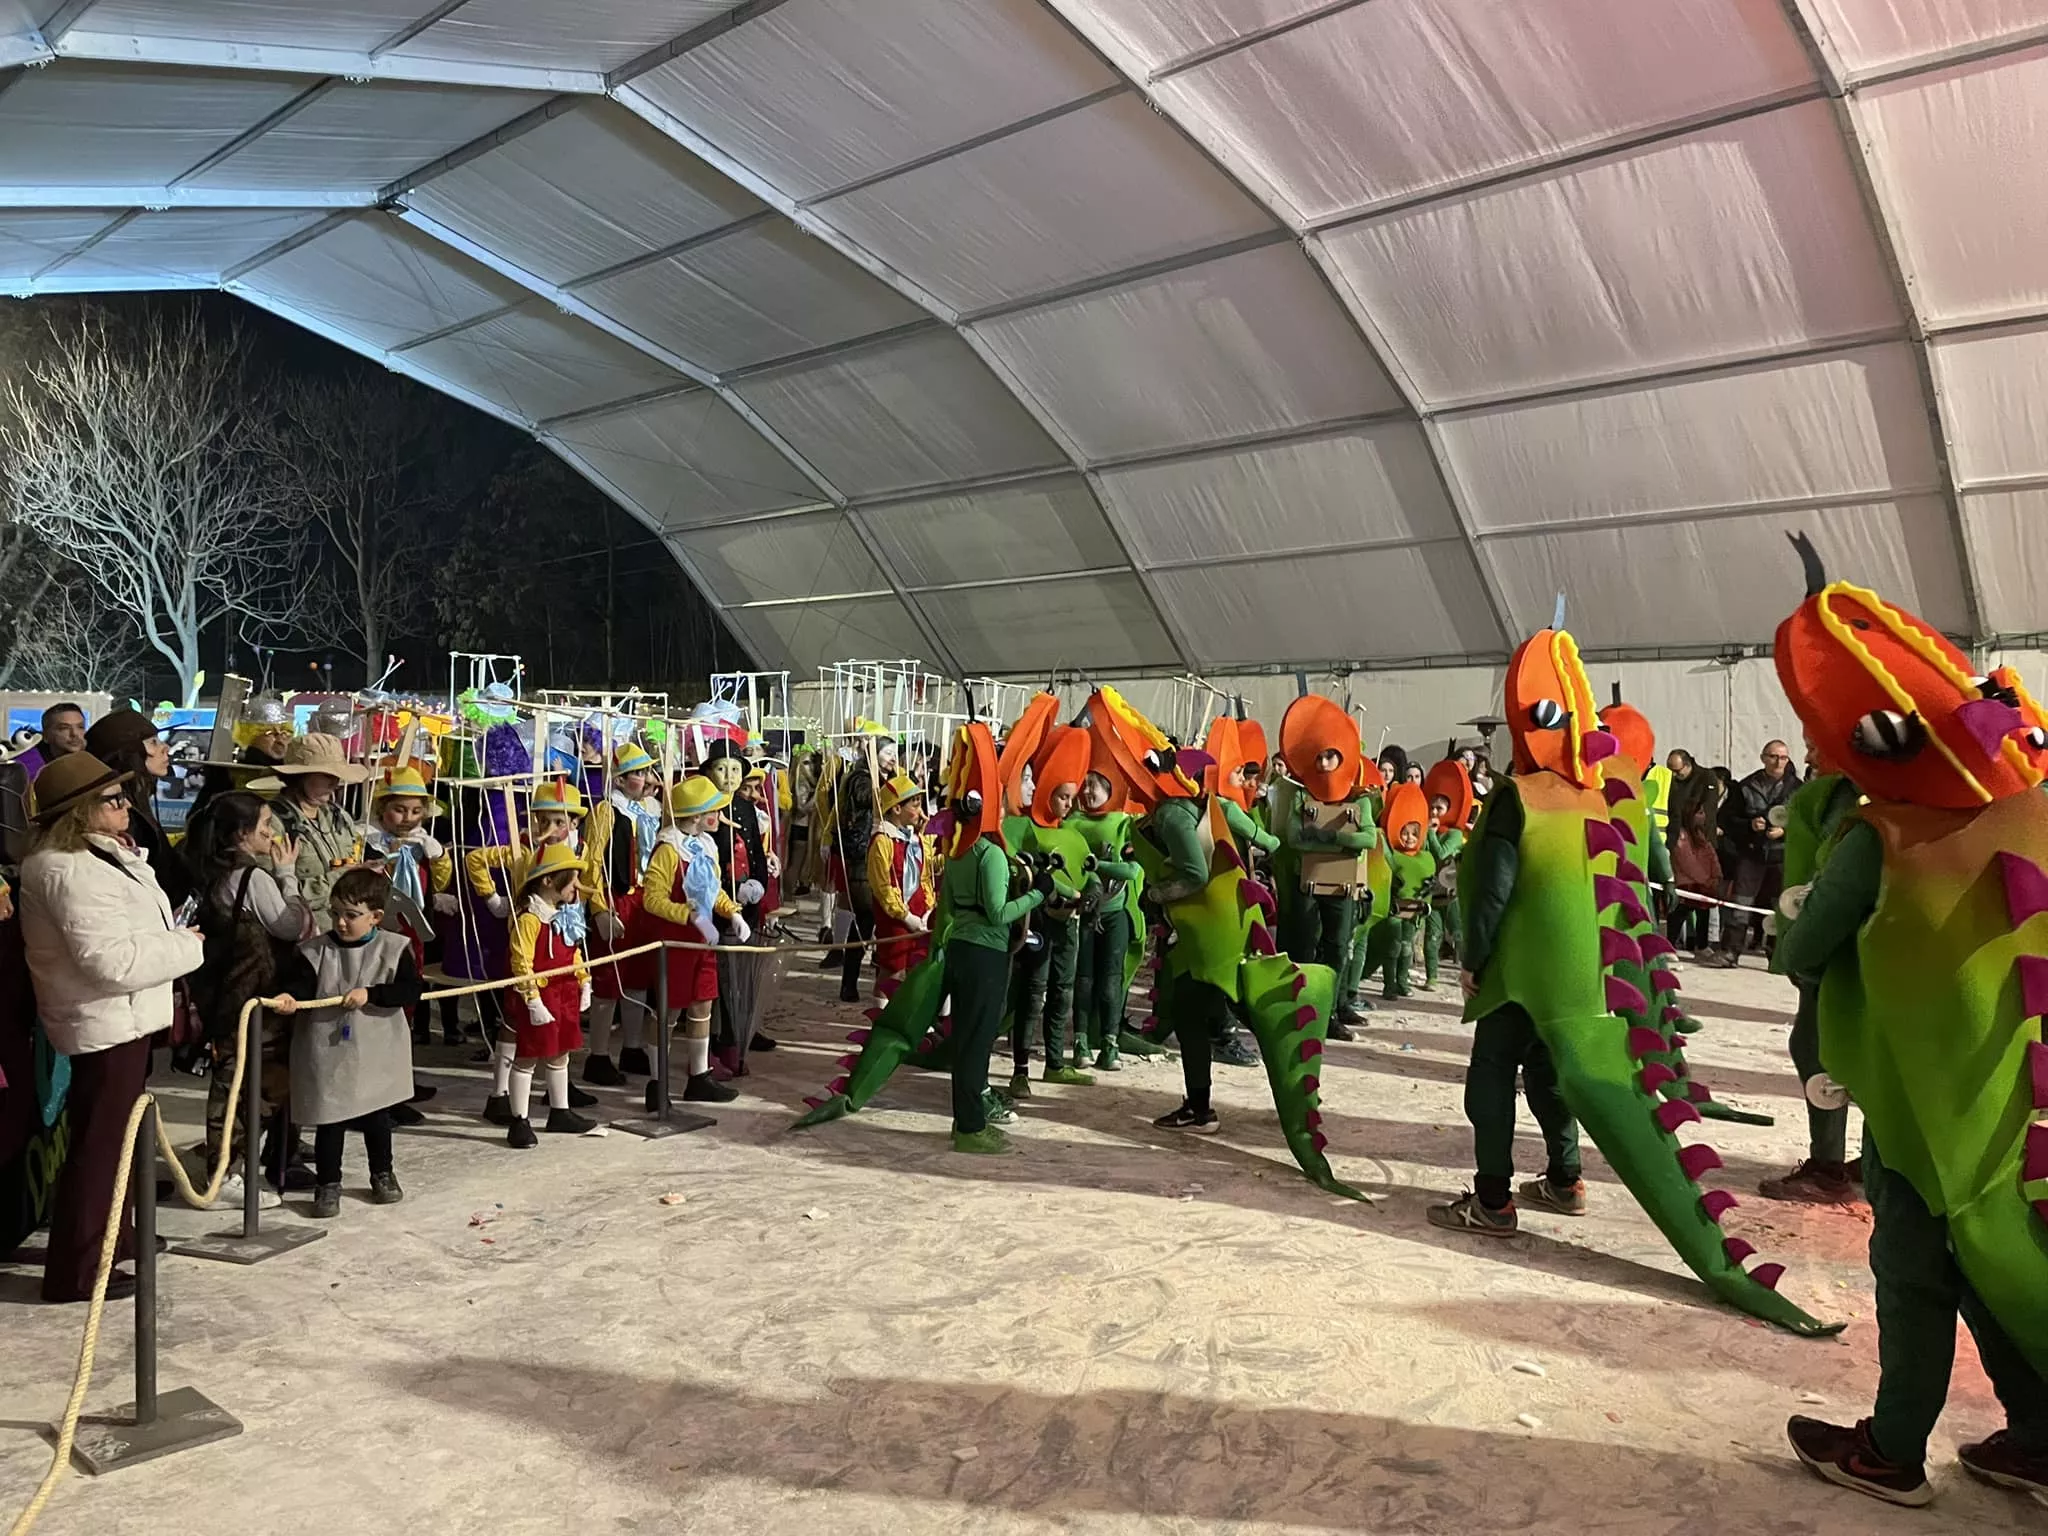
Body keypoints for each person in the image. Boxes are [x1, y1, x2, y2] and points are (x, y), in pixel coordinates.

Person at [18, 750, 204, 1302]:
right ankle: (78, 1270)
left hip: (123, 1017)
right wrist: (186, 947)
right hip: (104, 1020)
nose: (126, 806)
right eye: (113, 798)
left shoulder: (98, 856)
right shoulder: (67, 869)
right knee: (101, 1147)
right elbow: (111, 963)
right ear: (80, 811)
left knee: (117, 1141)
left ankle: (112, 1242)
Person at [270, 867, 422, 1215]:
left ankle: (382, 1173)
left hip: (376, 1050)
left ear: (375, 917)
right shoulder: (314, 952)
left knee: (377, 1117)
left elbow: (410, 990)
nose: (340, 922)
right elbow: (301, 986)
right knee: (330, 1118)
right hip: (328, 1051)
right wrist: (289, 998)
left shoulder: (395, 948)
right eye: (335, 913)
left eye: (351, 915)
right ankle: (328, 1183)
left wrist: (372, 993)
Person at [187, 790, 315, 1193]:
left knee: (238, 1084)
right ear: (242, 833)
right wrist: (287, 876)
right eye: (265, 825)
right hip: (255, 998)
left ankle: (233, 1165)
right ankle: (226, 1173)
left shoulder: (210, 869)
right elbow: (290, 926)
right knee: (248, 1088)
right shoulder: (251, 877)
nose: (271, 832)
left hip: (224, 994)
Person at [1756, 756, 1865, 1206]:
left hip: (1844, 949)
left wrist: (1803, 951)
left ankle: (1828, 1167)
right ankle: (1884, 1157)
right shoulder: (1842, 788)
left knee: (1817, 1047)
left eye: (1814, 741)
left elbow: (1839, 880)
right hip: (1855, 947)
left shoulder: (1854, 796)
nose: (1807, 755)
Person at [936, 726, 1044, 1154]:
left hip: (961, 948)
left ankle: (966, 1120)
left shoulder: (957, 851)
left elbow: (946, 907)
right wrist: (1038, 894)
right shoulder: (991, 853)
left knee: (965, 1039)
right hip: (986, 953)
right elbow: (999, 913)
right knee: (977, 1043)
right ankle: (969, 1128)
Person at [639, 774, 747, 1106]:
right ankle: (657, 1082)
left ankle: (699, 1076)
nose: (719, 816)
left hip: (704, 940)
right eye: (714, 810)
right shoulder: (668, 850)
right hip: (674, 943)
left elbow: (713, 890)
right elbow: (652, 899)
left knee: (703, 1005)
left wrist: (732, 913)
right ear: (698, 816)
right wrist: (686, 915)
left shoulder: (706, 845)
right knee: (668, 1012)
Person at [497, 842, 600, 1148]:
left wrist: (584, 981)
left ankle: (560, 1111)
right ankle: (519, 1120)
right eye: (572, 879)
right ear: (548, 881)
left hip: (564, 993)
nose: (577, 886)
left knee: (561, 1053)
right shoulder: (530, 918)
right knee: (527, 1056)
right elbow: (521, 962)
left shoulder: (564, 914)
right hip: (540, 997)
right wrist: (532, 1000)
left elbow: (574, 952)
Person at [582, 742, 661, 1085]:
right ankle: (598, 1055)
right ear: (620, 779)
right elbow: (592, 862)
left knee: (638, 978)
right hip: (616, 899)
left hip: (643, 901)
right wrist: (599, 908)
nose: (646, 779)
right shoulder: (606, 811)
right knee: (608, 980)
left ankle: (632, 1046)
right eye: (638, 773)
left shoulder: (648, 810)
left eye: (646, 772)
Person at [81, 708, 191, 908]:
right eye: (153, 742)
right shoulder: (120, 817)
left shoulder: (134, 803)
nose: (165, 748)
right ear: (129, 754)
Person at [1709, 741, 1799, 965]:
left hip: (1782, 856)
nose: (1778, 762)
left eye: (1783, 758)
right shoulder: (1746, 787)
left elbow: (1808, 822)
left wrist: (1785, 831)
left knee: (1783, 906)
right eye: (1773, 757)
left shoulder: (1798, 789)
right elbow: (1726, 819)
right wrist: (1749, 825)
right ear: (1763, 758)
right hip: (1752, 855)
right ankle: (1730, 952)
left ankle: (1778, 956)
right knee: (1741, 904)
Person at [271, 732, 368, 929]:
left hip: (345, 932)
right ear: (300, 777)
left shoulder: (339, 816)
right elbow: (273, 893)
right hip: (305, 934)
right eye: (326, 776)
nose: (335, 782)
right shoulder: (272, 823)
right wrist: (341, 878)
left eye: (337, 776)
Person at [866, 774, 936, 1005]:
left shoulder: (916, 839)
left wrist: (927, 909)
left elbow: (927, 871)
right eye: (914, 805)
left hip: (920, 915)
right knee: (893, 970)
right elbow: (882, 887)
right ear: (897, 809)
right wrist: (905, 916)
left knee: (917, 968)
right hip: (895, 918)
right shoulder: (882, 841)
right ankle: (880, 1017)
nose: (920, 810)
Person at [1667, 802, 1721, 953]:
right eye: (1699, 813)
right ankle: (1669, 945)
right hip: (1687, 883)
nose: (1703, 816)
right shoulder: (1681, 835)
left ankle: (1702, 945)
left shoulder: (1701, 835)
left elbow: (1711, 855)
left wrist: (1716, 874)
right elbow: (1686, 861)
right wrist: (1704, 879)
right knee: (1679, 913)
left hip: (1703, 884)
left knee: (1704, 913)